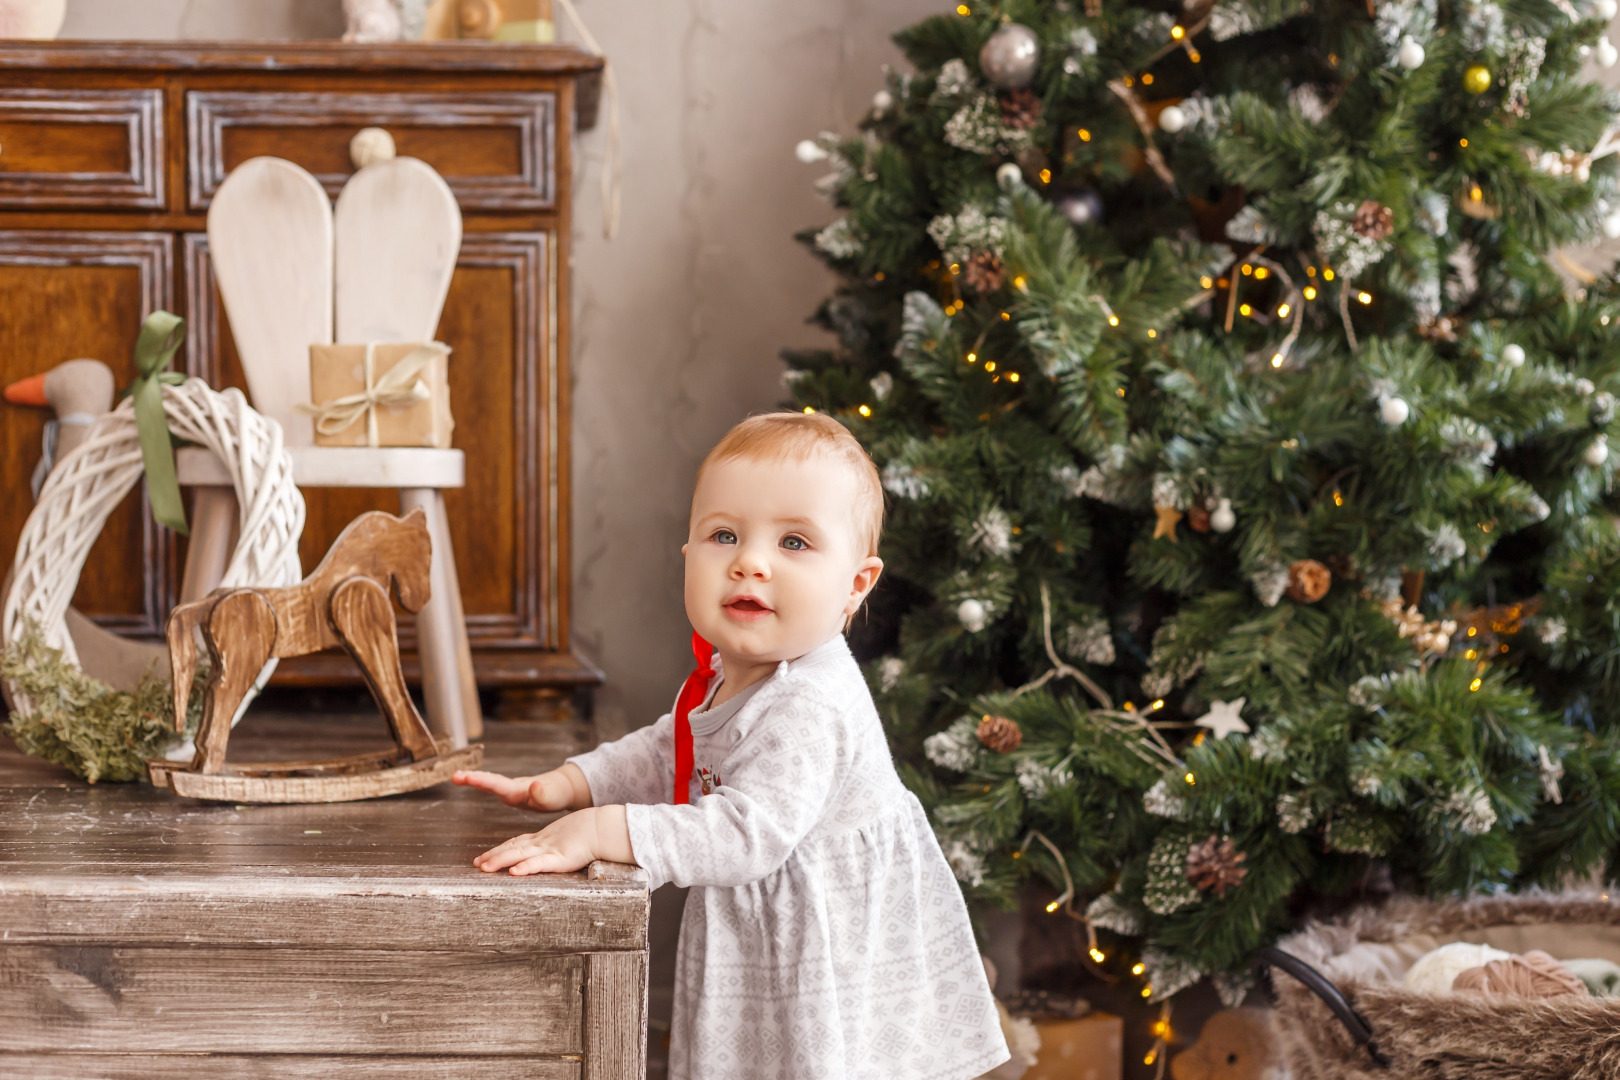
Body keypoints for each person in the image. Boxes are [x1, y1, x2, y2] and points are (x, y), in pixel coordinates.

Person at [454, 411, 1008, 1079]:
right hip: (770, 932)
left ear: (855, 585)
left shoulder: (809, 700)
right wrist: (572, 783)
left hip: (824, 944)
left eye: (795, 543)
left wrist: (605, 828)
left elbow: (748, 834)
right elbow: (674, 749)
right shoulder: (738, 672)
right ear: (688, 555)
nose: (750, 562)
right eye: (724, 535)